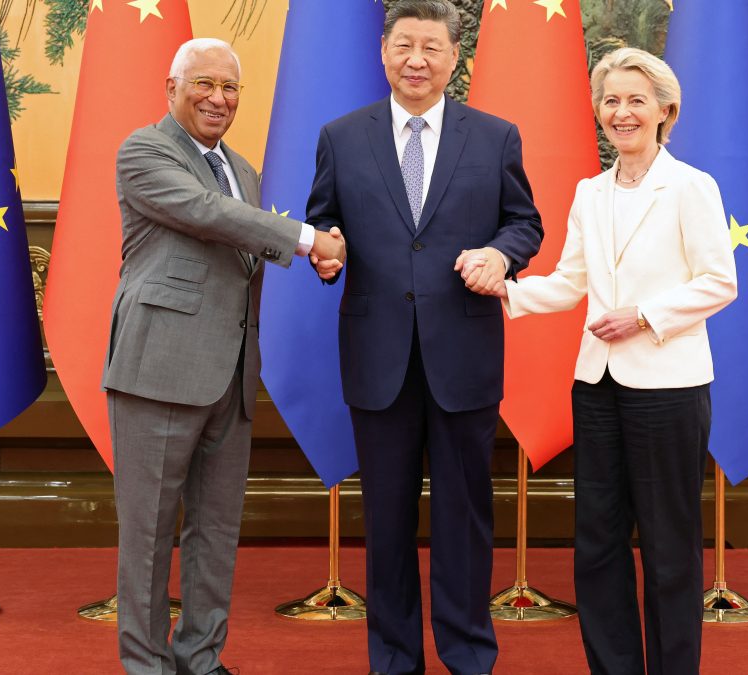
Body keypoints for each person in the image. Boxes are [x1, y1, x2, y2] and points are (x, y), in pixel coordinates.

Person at [473, 47, 737, 674]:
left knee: (669, 547)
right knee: (596, 544)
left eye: (636, 100)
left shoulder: (692, 186)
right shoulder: (590, 192)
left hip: (668, 389)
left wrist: (644, 317)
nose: (622, 112)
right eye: (611, 101)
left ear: (666, 111)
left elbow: (719, 282)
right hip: (596, 385)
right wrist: (502, 288)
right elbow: (571, 282)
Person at [305, 1, 543, 672]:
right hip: (377, 356)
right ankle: (394, 658)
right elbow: (324, 221)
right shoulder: (341, 137)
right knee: (386, 518)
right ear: (383, 51)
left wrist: (500, 254)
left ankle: (468, 655)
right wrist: (327, 253)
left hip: (463, 354)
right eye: (404, 45)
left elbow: (524, 223)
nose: (416, 60)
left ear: (454, 57)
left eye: (431, 47)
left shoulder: (494, 136)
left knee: (464, 516)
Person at [102, 38, 345, 675]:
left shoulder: (242, 168)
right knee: (149, 534)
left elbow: (241, 244)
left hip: (231, 373)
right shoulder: (145, 150)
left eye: (230, 87)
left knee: (215, 530)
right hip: (158, 370)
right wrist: (308, 239)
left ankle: (201, 659)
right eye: (204, 84)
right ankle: (147, 666)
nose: (218, 98)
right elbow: (205, 213)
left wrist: (318, 256)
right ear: (172, 89)